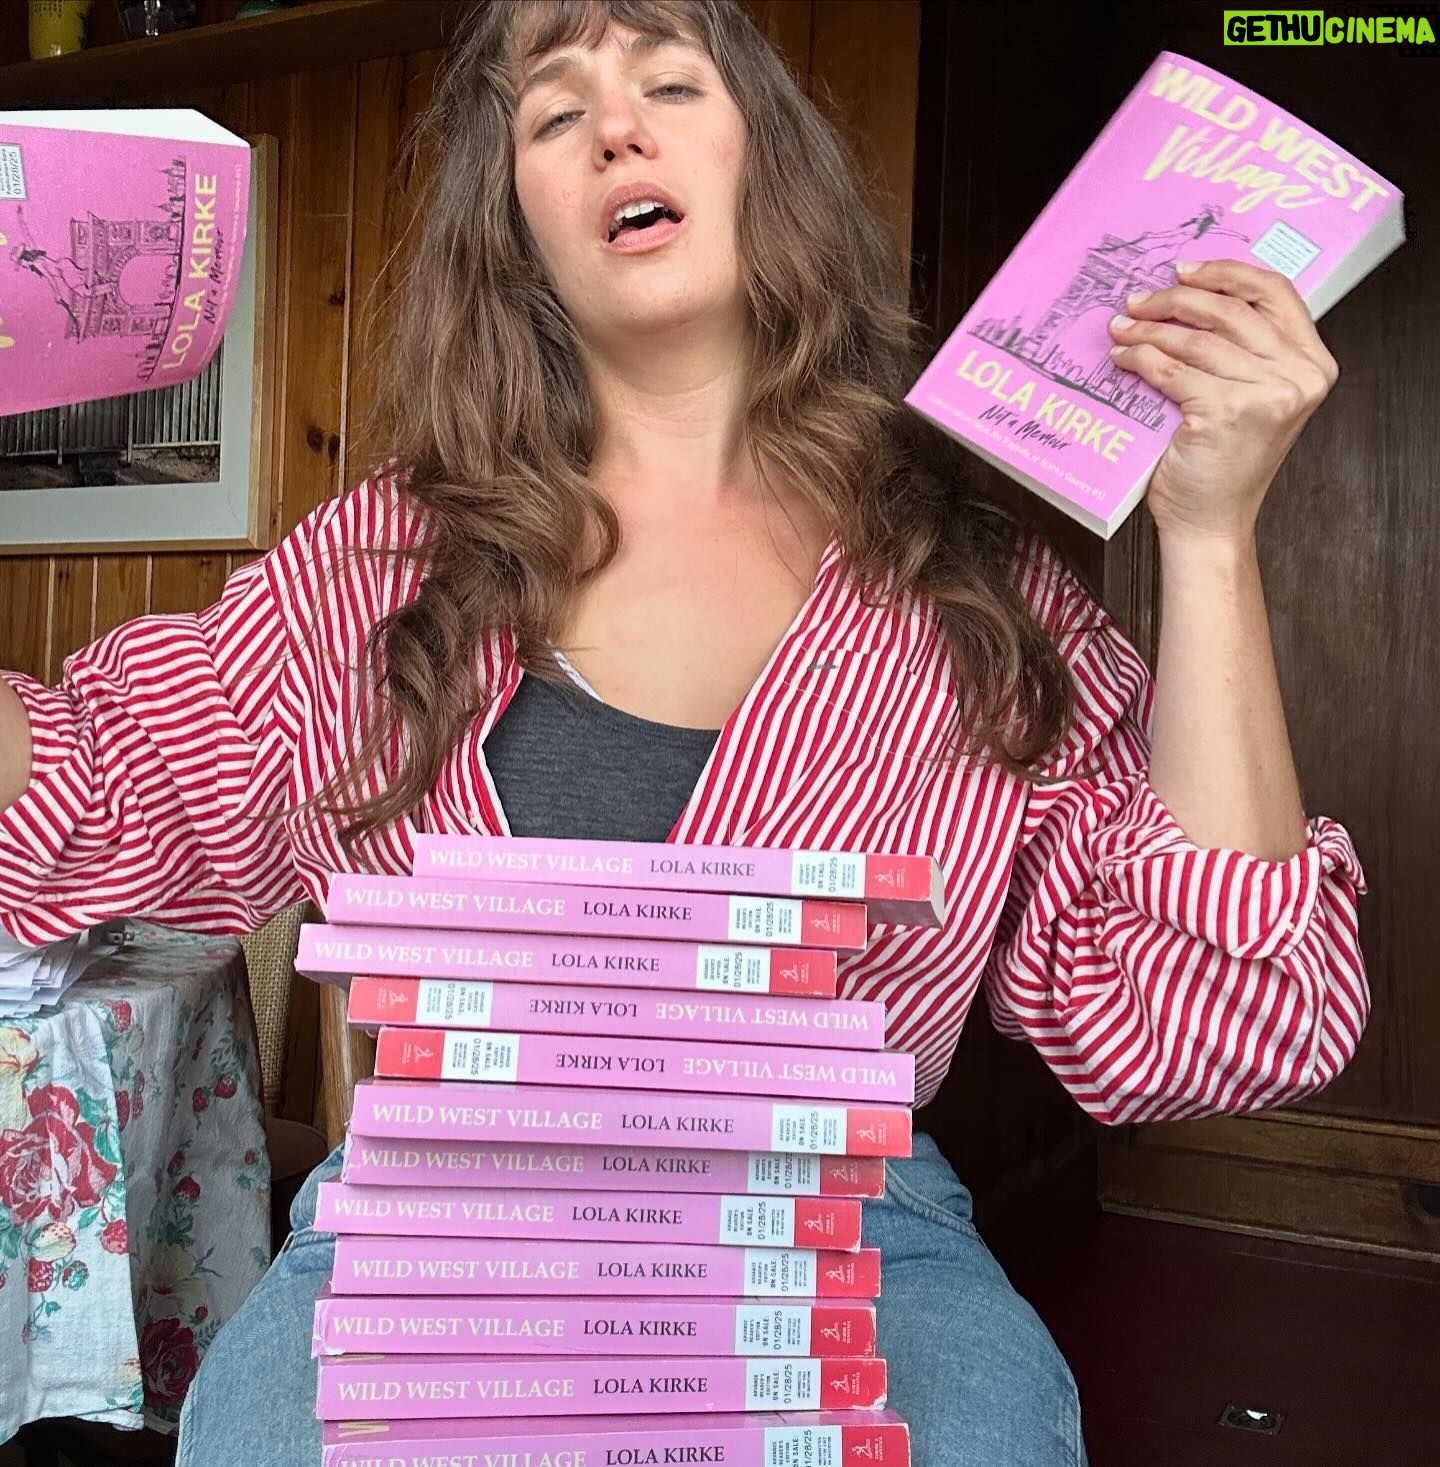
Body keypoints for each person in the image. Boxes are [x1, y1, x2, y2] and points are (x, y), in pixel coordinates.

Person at [0, 2, 1369, 1463]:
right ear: (517, 226)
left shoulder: (979, 593)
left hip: (849, 1225)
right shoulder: (380, 564)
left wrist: (1208, 534)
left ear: (765, 156)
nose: (616, 127)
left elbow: (1207, 1025)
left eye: (669, 81)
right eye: (553, 112)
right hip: (436, 1221)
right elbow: (89, 798)